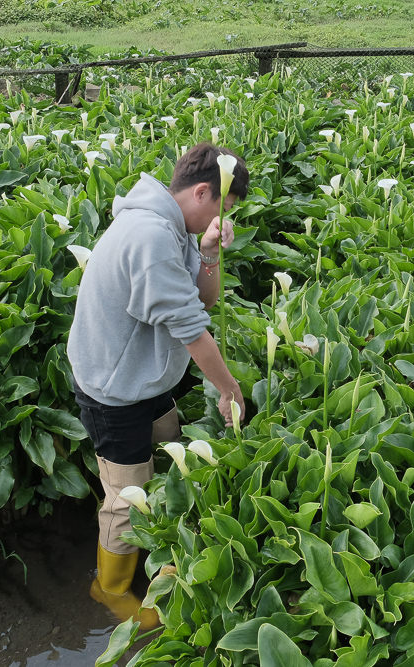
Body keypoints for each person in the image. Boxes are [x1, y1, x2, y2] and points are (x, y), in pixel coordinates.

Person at [66, 142, 249, 628]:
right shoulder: (149, 234)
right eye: (224, 209)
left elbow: (203, 300)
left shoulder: (176, 226)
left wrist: (208, 253)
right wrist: (229, 389)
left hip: (144, 379)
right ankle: (109, 588)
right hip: (114, 389)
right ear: (204, 191)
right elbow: (191, 328)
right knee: (127, 495)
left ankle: (157, 548)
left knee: (168, 454)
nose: (223, 217)